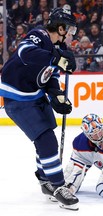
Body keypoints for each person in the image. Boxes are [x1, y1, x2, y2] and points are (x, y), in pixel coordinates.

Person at [0, 7, 79, 211]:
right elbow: (25, 52)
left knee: (46, 138)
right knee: (46, 140)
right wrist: (57, 58)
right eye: (69, 29)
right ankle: (59, 186)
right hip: (17, 98)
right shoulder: (39, 35)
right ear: (60, 28)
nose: (71, 34)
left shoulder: (57, 48)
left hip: (35, 94)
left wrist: (57, 94)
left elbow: (51, 74)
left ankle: (46, 180)